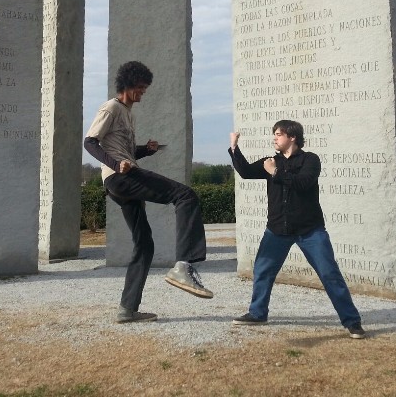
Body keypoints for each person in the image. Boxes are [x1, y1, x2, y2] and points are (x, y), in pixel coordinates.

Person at [84, 61, 213, 324]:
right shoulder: (111, 107)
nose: (143, 92)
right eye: (140, 87)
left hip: (120, 181)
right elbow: (90, 142)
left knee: (144, 245)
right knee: (185, 195)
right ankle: (184, 266)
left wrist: (145, 150)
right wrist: (115, 165)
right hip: (121, 178)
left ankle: (127, 310)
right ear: (128, 85)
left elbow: (123, 151)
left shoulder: (128, 113)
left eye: (145, 88)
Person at [228, 120, 366, 338]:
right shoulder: (270, 161)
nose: (275, 138)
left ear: (292, 137)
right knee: (262, 271)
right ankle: (257, 313)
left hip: (310, 230)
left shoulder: (310, 159)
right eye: (274, 134)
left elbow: (304, 183)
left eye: (279, 134)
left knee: (329, 273)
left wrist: (275, 173)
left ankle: (352, 321)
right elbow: (245, 172)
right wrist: (234, 148)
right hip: (277, 230)